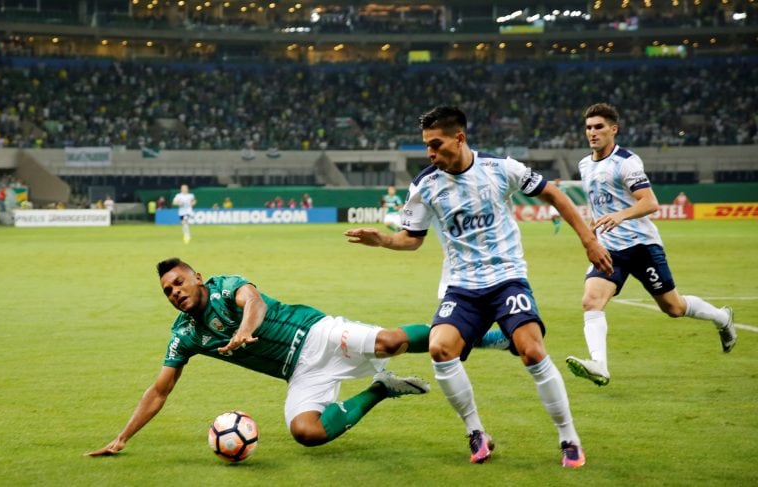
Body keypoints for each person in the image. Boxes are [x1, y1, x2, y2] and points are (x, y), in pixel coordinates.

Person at [344, 106, 613, 467]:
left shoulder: (501, 169)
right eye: (427, 146)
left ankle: (568, 436)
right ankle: (476, 432)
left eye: (436, 144)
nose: (430, 153)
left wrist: (589, 241)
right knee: (440, 349)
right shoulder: (425, 184)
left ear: (459, 138)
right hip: (462, 287)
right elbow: (412, 238)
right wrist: (384, 241)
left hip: (507, 279)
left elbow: (555, 195)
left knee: (531, 350)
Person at [86, 258, 508, 457]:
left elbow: (253, 301)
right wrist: (123, 437)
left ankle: (481, 336)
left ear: (197, 277)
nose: (175, 292)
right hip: (298, 371)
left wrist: (245, 330)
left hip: (316, 333)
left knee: (392, 342)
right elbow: (159, 390)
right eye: (167, 291)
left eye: (179, 282)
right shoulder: (185, 335)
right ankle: (380, 390)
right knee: (306, 433)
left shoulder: (223, 286)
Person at [565, 103, 736, 387]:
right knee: (591, 300)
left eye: (599, 127)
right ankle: (600, 366)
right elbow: (600, 203)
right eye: (588, 127)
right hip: (610, 249)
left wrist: (620, 215)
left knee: (674, 308)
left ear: (613, 129)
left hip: (641, 246)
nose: (592, 133)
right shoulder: (584, 164)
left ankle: (721, 318)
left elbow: (650, 202)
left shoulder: (627, 162)